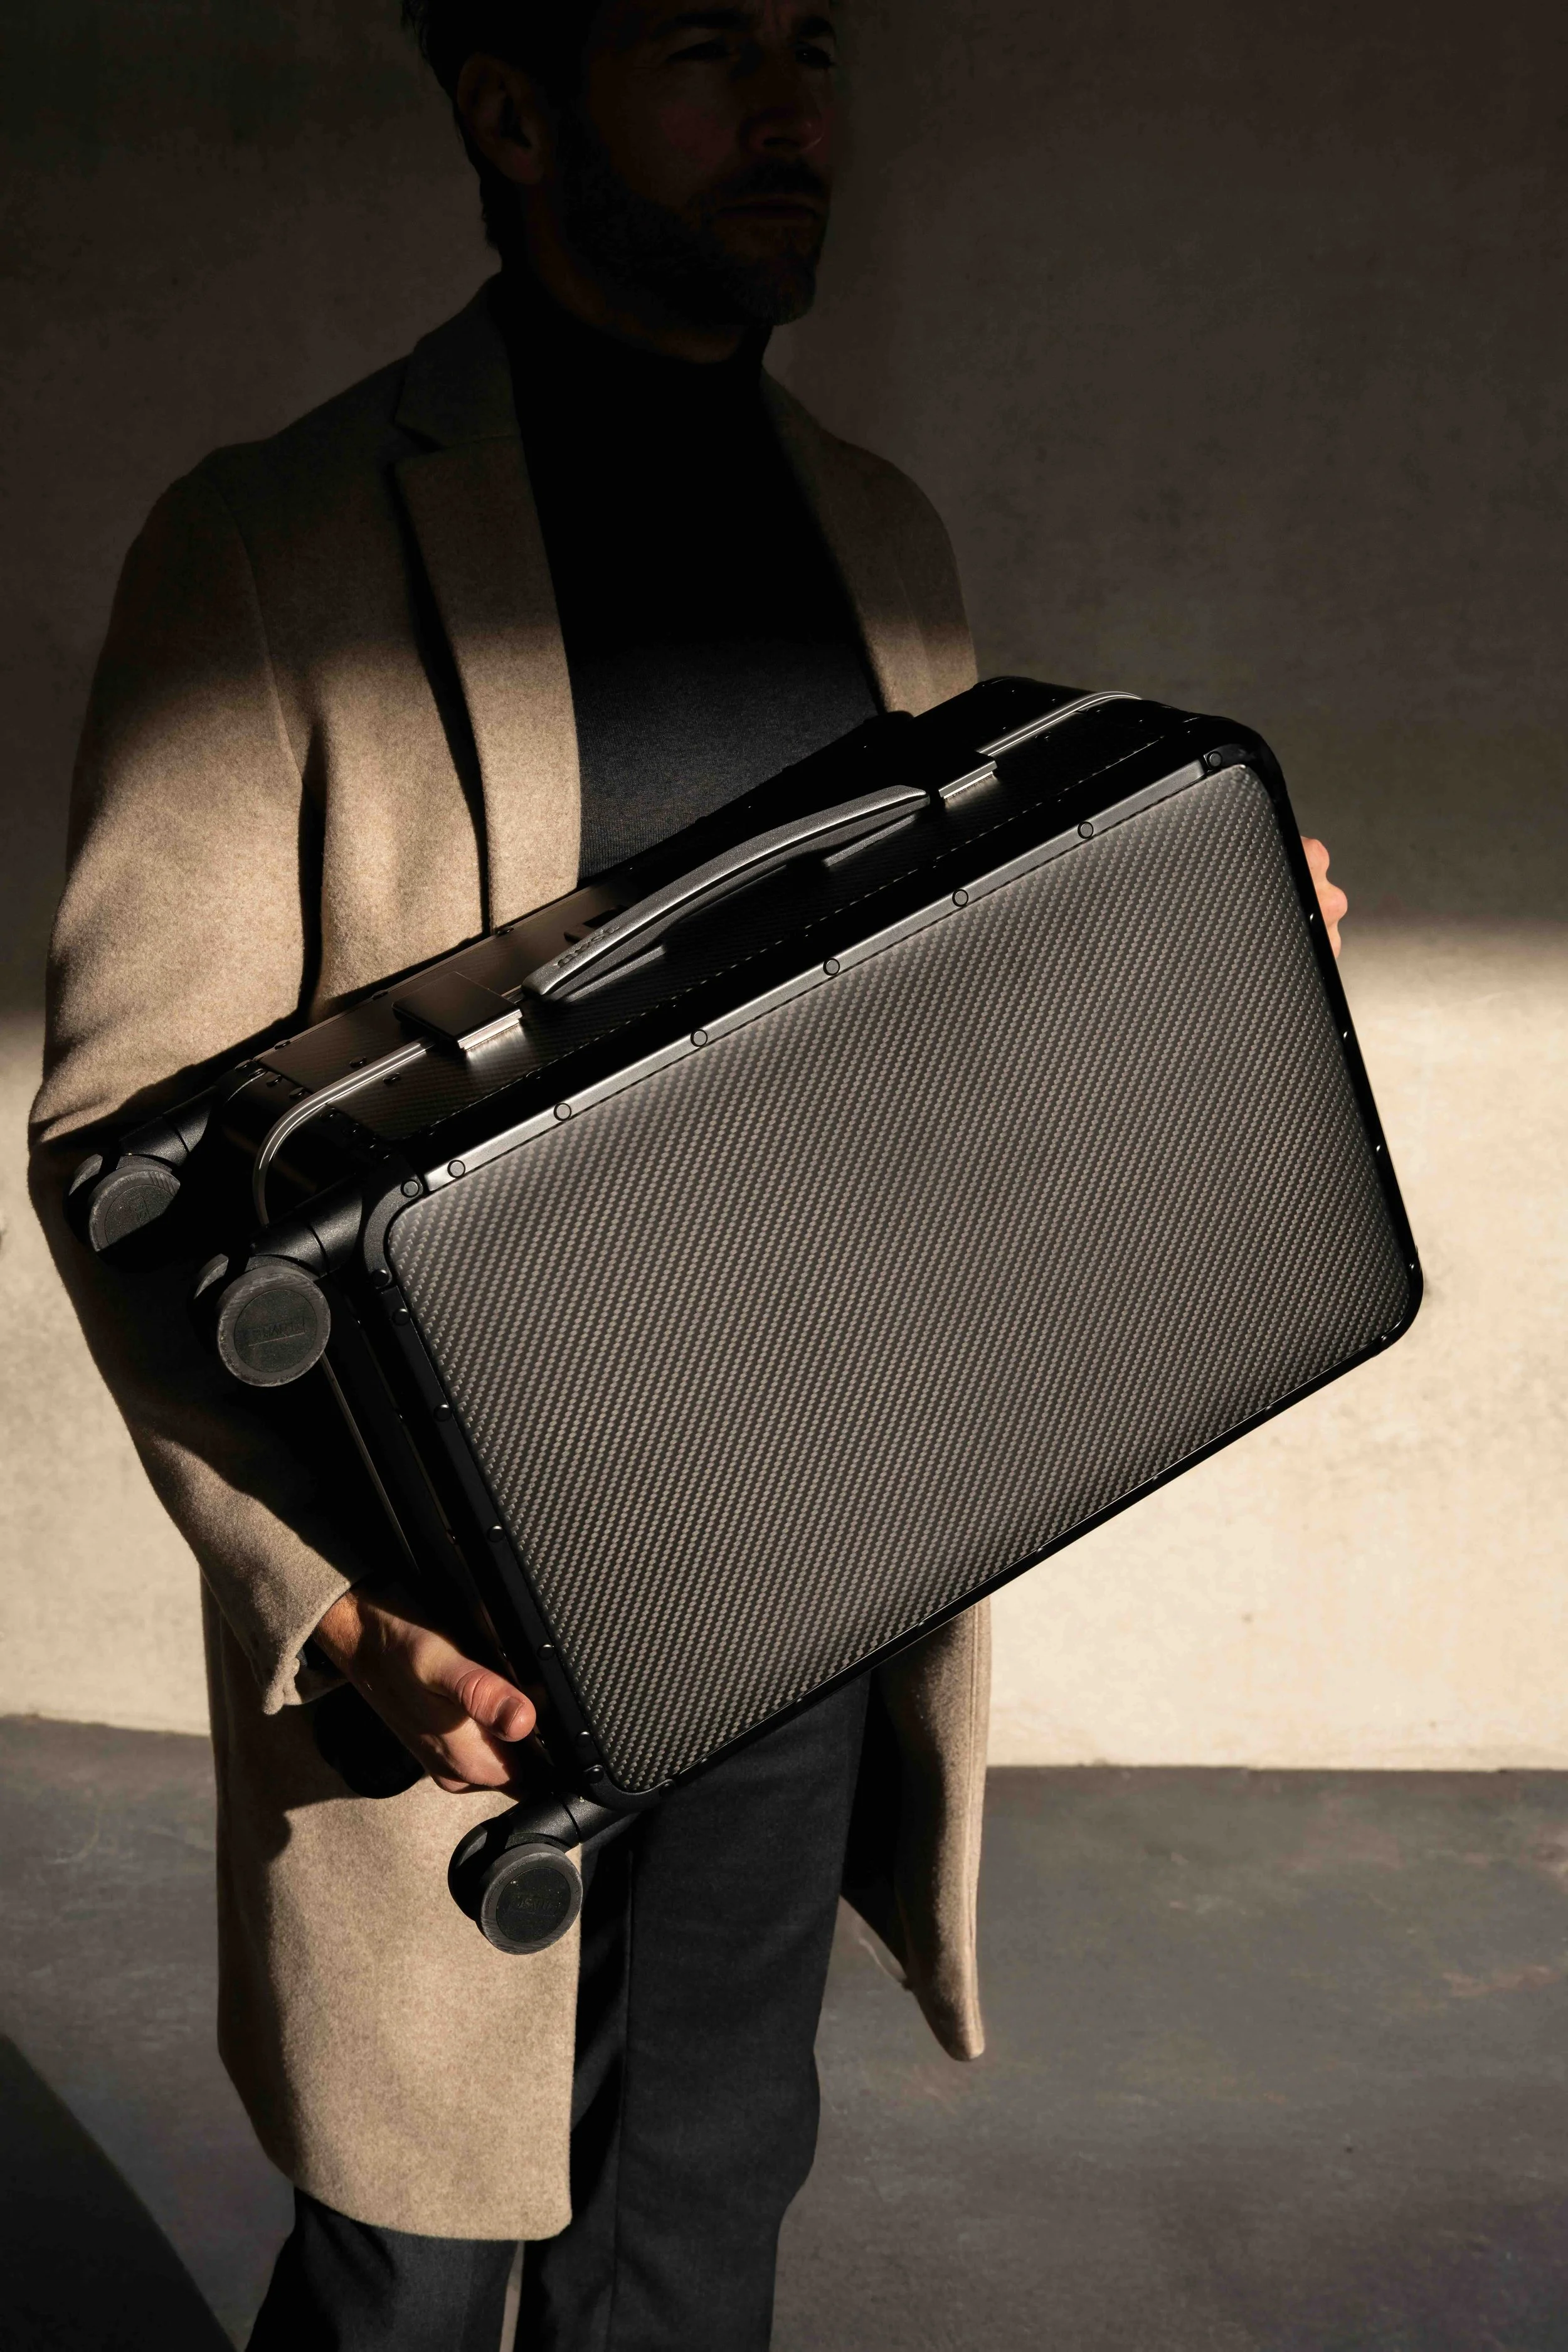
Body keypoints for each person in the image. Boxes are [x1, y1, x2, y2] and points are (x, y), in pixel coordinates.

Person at [29, 3, 1348, 2346]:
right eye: (704, 45)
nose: (791, 109)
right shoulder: (269, 544)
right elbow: (128, 1164)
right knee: (414, 2270)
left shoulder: (882, 533)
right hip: (453, 1634)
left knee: (698, 2234)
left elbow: (936, 1064)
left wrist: (1205, 948)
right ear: (513, 108)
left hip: (806, 1595)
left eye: (814, 45)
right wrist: (328, 1604)